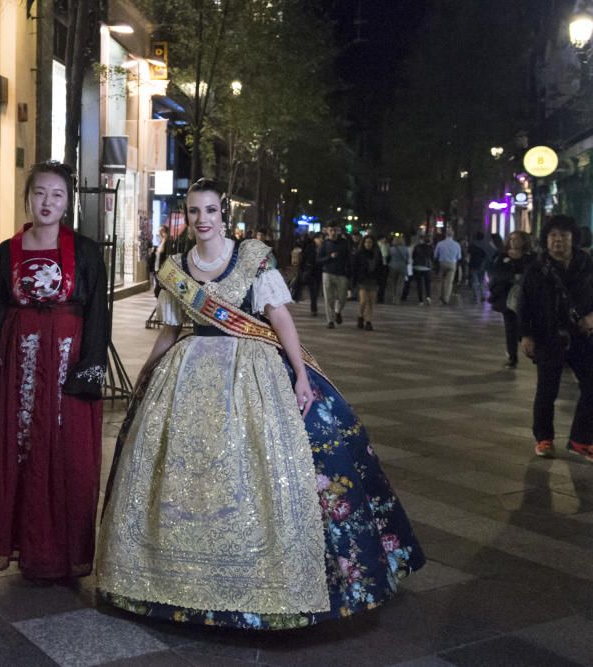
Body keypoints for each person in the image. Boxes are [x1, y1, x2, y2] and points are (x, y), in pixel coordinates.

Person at [96, 178, 423, 630]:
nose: (202, 219)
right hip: (187, 373)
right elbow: (169, 333)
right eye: (194, 211)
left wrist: (303, 374)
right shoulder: (174, 267)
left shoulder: (252, 258)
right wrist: (146, 375)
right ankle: (174, 582)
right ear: (187, 216)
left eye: (210, 210)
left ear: (222, 214)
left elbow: (279, 317)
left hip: (251, 373)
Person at [0, 161, 108, 581]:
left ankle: (67, 553)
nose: (47, 202)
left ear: (68, 202)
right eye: (39, 193)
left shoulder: (87, 251)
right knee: (24, 450)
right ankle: (28, 550)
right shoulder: (7, 251)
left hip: (69, 361)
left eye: (57, 194)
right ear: (27, 198)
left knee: (69, 453)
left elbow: (98, 314)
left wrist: (90, 368)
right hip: (22, 363)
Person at [519, 215, 593, 461]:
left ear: (573, 238)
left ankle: (580, 439)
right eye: (553, 236)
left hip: (582, 336)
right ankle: (544, 438)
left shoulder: (587, 264)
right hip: (548, 336)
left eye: (563, 235)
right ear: (546, 240)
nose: (558, 240)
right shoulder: (537, 268)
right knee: (547, 390)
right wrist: (526, 335)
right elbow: (524, 303)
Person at [488, 230, 535, 369]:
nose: (514, 242)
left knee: (523, 324)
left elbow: (533, 273)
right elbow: (495, 273)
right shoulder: (501, 256)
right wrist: (511, 277)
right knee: (510, 327)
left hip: (525, 297)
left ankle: (528, 346)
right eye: (511, 239)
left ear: (524, 242)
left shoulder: (530, 257)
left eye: (517, 239)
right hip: (506, 296)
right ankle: (512, 356)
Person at [317, 222, 351, 328]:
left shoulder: (344, 243)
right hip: (327, 273)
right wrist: (329, 257)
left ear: (338, 231)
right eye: (330, 230)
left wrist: (348, 271)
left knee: (342, 297)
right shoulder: (325, 244)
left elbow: (349, 258)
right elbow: (318, 260)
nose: (333, 232)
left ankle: (338, 311)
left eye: (335, 230)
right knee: (328, 298)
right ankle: (330, 321)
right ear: (327, 231)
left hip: (341, 274)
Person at [353, 235, 382, 331]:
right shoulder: (359, 254)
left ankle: (368, 321)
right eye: (366, 242)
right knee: (363, 301)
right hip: (363, 280)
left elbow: (381, 266)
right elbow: (355, 267)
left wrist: (379, 278)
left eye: (370, 242)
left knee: (371, 302)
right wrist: (355, 280)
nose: (368, 244)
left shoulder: (377, 254)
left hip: (373, 280)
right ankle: (360, 316)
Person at [434, 229, 461, 304]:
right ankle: (446, 298)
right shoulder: (457, 244)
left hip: (442, 263)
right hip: (452, 263)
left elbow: (435, 255)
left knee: (440, 280)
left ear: (445, 235)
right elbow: (459, 257)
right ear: (453, 235)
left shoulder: (440, 243)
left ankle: (440, 295)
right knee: (449, 282)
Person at [468, 231, 493, 305]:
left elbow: (469, 255)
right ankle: (482, 295)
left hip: (473, 265)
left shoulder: (472, 245)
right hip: (482, 266)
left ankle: (476, 296)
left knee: (475, 281)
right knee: (481, 281)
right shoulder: (485, 245)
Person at [387, 235, 411, 305]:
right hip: (402, 267)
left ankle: (393, 298)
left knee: (393, 283)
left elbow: (389, 257)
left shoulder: (391, 249)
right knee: (400, 284)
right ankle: (397, 299)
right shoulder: (406, 249)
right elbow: (407, 259)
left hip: (393, 267)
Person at [410, 235, 433, 305]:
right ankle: (428, 296)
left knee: (419, 284)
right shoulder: (430, 248)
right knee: (427, 283)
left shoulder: (416, 247)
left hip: (417, 267)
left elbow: (413, 256)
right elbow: (432, 257)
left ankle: (421, 300)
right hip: (426, 267)